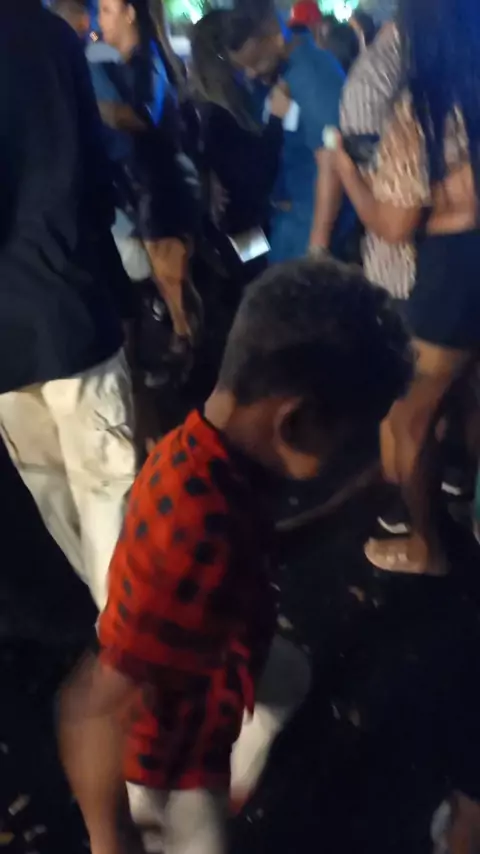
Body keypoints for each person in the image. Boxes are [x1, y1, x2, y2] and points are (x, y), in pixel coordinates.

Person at [59, 258, 413, 854]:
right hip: (170, 768)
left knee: (289, 676)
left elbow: (256, 547)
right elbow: (91, 709)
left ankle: (242, 757)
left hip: (224, 655)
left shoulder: (211, 451)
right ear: (294, 420)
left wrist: (346, 507)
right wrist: (110, 836)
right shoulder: (196, 529)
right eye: (349, 441)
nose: (348, 455)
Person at [334, 0, 480, 573]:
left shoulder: (421, 106)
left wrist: (348, 173)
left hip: (450, 279)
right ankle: (470, 504)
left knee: (406, 419)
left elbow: (392, 225)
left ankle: (426, 547)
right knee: (469, 392)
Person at [0, 0, 137, 610]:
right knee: (107, 486)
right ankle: (130, 637)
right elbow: (94, 175)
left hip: (9, 334)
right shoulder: (48, 37)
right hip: (70, 307)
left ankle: (114, 621)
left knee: (47, 482)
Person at [88, 0, 201, 357]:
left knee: (173, 283)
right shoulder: (118, 60)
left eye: (107, 10)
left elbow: (144, 116)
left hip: (160, 185)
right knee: (167, 280)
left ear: (130, 13)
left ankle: (190, 354)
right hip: (142, 185)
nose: (99, 19)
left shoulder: (146, 60)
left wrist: (93, 106)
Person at [225, 0, 346, 264]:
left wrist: (318, 248)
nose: (250, 74)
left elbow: (331, 161)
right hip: (285, 226)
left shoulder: (313, 75)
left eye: (256, 62)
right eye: (244, 67)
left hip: (309, 229)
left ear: (275, 34)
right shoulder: (280, 73)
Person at [190, 10, 286, 298]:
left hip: (240, 221)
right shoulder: (219, 115)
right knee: (257, 286)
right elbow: (256, 172)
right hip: (243, 227)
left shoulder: (219, 104)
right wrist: (276, 122)